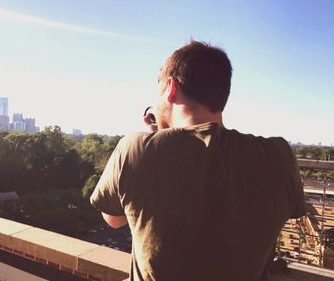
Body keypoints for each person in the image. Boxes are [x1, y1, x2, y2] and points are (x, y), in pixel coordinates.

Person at [90, 40, 306, 281]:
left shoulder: (134, 149)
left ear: (170, 88)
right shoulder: (278, 156)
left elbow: (114, 219)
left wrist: (154, 140)